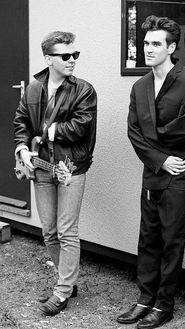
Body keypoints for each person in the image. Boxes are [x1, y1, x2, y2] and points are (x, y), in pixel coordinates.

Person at [117, 16, 185, 328]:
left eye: (155, 44)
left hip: (178, 172)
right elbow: (132, 132)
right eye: (145, 43)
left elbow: (184, 129)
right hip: (155, 169)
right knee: (148, 237)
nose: (147, 49)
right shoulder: (139, 86)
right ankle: (144, 299)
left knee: (172, 240)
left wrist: (160, 151)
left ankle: (164, 305)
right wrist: (159, 158)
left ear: (171, 47)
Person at [13, 31, 97, 316]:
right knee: (49, 231)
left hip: (70, 168)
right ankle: (67, 281)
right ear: (48, 59)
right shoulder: (34, 89)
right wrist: (23, 149)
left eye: (76, 54)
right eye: (66, 55)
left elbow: (80, 127)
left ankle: (62, 291)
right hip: (41, 168)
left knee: (66, 231)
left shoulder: (84, 90)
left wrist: (49, 131)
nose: (72, 60)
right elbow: (21, 122)